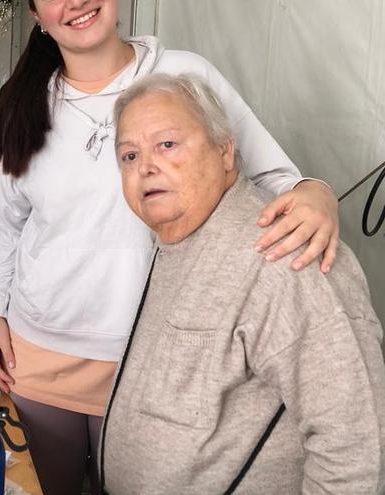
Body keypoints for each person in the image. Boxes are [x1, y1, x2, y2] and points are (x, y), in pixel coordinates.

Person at [0, 2, 340, 494]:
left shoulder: (184, 73)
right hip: (39, 354)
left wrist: (315, 192)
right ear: (36, 14)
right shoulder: (23, 103)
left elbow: (275, 177)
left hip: (161, 359)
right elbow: (1, 221)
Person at [101, 73, 385, 494]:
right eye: (129, 155)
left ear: (225, 151)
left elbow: (357, 447)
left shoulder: (286, 254)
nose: (146, 167)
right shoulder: (175, 238)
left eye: (167, 144)